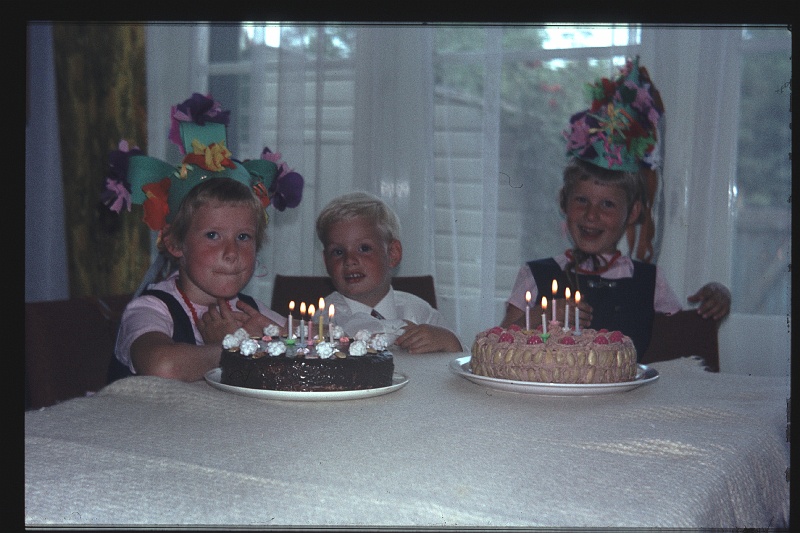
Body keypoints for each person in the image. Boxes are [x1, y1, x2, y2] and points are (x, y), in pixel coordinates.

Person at [500, 58, 730, 357]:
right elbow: (497, 343)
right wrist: (541, 318)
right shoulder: (536, 274)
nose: (591, 214)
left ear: (633, 214)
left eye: (607, 204)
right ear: (563, 204)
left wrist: (718, 297)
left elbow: (680, 341)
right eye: (581, 200)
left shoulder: (649, 282)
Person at [104, 93, 303, 381]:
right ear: (174, 243)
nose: (231, 252)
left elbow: (326, 347)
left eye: (244, 237)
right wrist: (235, 347)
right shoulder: (152, 308)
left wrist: (282, 336)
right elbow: (162, 366)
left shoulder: (250, 311)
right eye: (213, 235)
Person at [316, 191, 463, 354]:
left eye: (364, 248)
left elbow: (464, 359)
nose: (349, 260)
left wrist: (448, 341)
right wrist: (400, 328)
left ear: (393, 253)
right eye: (337, 252)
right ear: (326, 262)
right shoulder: (328, 314)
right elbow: (355, 330)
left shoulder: (419, 310)